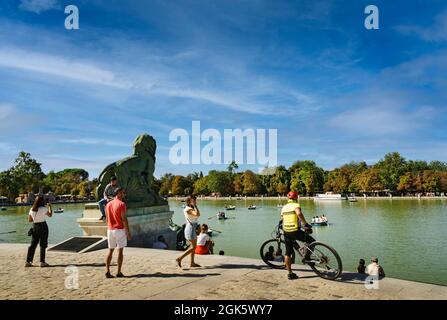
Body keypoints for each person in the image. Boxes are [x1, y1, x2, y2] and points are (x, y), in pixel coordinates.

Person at [281, 191, 315, 280]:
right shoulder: (296, 205)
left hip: (286, 231)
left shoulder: (284, 207)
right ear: (296, 198)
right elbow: (299, 214)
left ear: (288, 199)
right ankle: (307, 257)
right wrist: (306, 224)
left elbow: (282, 219)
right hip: (295, 231)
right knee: (312, 241)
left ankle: (290, 273)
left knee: (288, 252)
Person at [105, 188, 131, 278]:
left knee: (110, 251)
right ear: (119, 193)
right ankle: (119, 272)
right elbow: (124, 219)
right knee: (120, 251)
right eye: (123, 193)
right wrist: (128, 232)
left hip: (110, 230)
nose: (124, 194)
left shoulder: (108, 204)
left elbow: (107, 219)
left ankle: (107, 271)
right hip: (119, 229)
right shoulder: (122, 204)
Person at [25, 196, 52, 267]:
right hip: (43, 227)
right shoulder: (43, 209)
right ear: (42, 202)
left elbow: (30, 220)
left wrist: (36, 218)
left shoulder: (31, 209)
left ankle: (28, 262)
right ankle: (42, 262)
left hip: (35, 227)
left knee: (33, 245)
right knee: (43, 245)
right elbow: (50, 215)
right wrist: (49, 207)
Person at [176, 195, 201, 268]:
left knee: (192, 247)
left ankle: (192, 263)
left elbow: (194, 218)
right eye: (193, 200)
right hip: (190, 229)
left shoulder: (190, 208)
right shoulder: (188, 209)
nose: (195, 201)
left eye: (195, 200)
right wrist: (195, 206)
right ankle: (180, 258)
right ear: (189, 202)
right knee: (193, 247)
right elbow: (198, 214)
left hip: (192, 228)